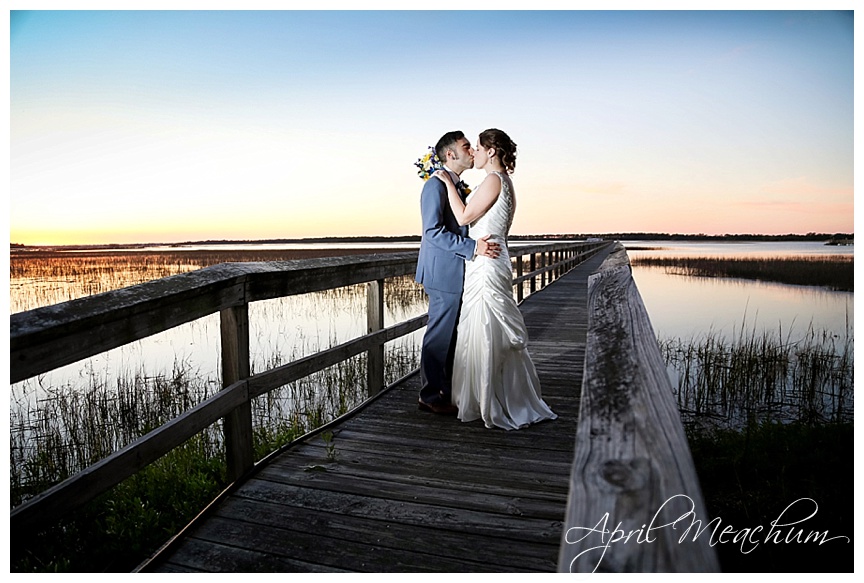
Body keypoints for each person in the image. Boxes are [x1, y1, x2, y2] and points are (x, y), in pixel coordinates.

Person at [431, 128, 556, 430]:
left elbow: (462, 218)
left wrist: (446, 182)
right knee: (482, 326)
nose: (473, 151)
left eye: (477, 146)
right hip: (487, 258)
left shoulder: (493, 180)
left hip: (486, 264)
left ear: (491, 151)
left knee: (485, 326)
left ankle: (490, 398)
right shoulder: (503, 182)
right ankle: (486, 393)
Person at [415, 131, 501, 415]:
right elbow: (432, 232)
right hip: (442, 272)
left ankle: (447, 391)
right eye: (466, 147)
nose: (471, 151)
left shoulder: (455, 185)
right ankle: (429, 395)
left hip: (457, 270)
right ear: (450, 154)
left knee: (452, 334)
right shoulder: (435, 186)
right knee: (439, 334)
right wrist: (472, 246)